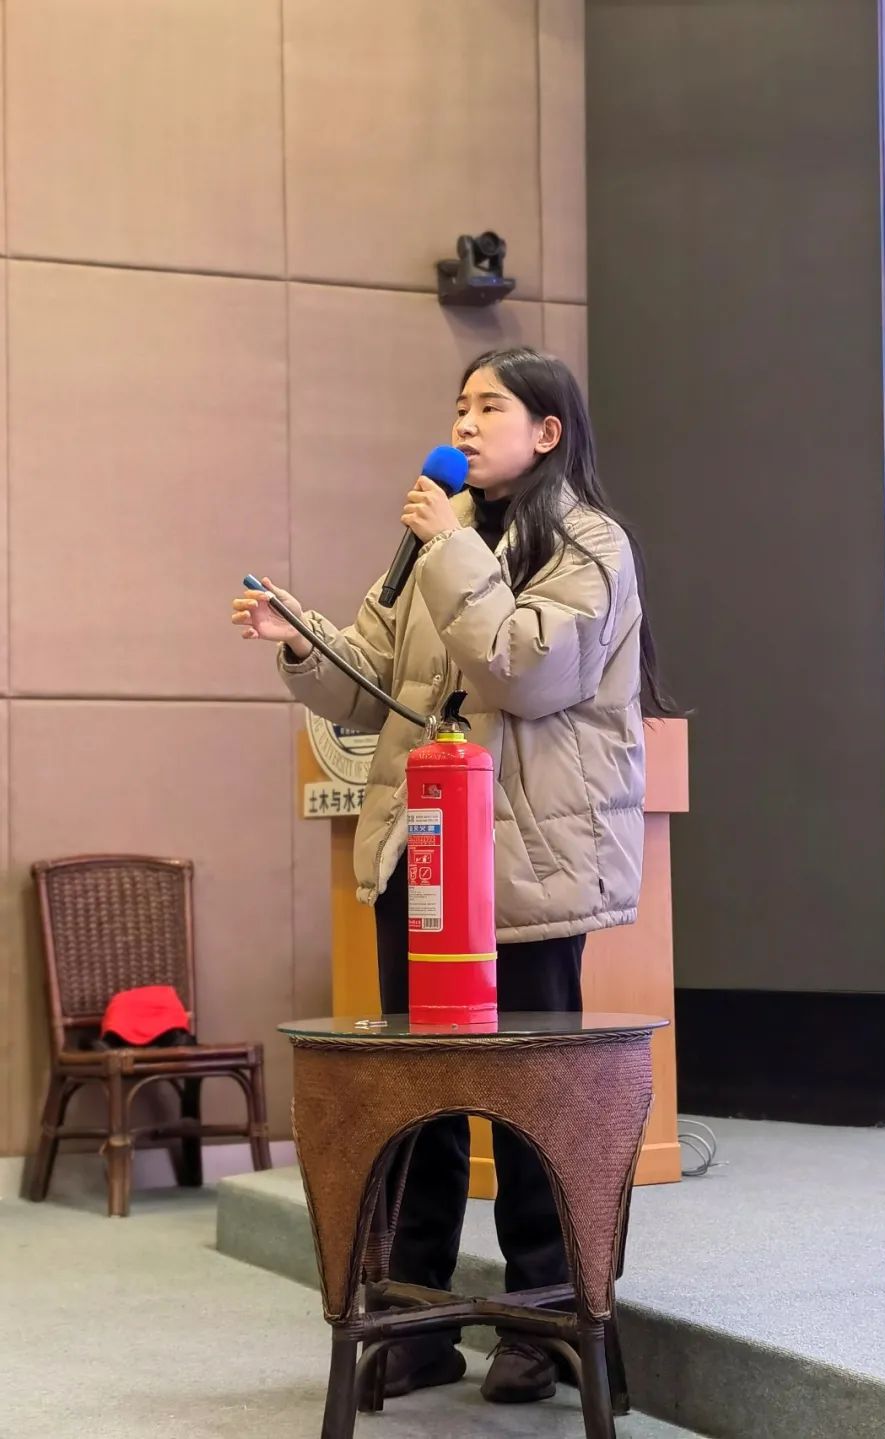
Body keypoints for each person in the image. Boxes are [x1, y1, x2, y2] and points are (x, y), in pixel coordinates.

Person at [230, 346, 671, 1404]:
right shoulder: (439, 542)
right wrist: (303, 641)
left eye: (489, 407)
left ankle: (540, 1322)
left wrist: (452, 548)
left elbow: (527, 669)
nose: (464, 426)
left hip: (529, 866)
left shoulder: (588, 543)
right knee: (415, 1098)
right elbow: (369, 686)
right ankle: (417, 1315)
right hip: (421, 857)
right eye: (459, 407)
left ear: (548, 431)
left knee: (530, 1105)